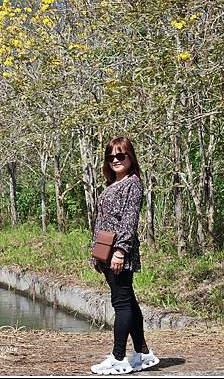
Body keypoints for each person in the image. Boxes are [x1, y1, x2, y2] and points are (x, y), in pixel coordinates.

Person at [90, 137, 159, 375]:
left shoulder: (133, 184)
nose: (116, 160)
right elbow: (100, 222)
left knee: (121, 303)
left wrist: (120, 250)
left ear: (131, 157)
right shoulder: (111, 184)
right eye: (111, 157)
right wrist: (97, 254)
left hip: (120, 253)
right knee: (128, 301)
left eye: (121, 156)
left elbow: (129, 222)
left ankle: (118, 357)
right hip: (105, 252)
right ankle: (143, 353)